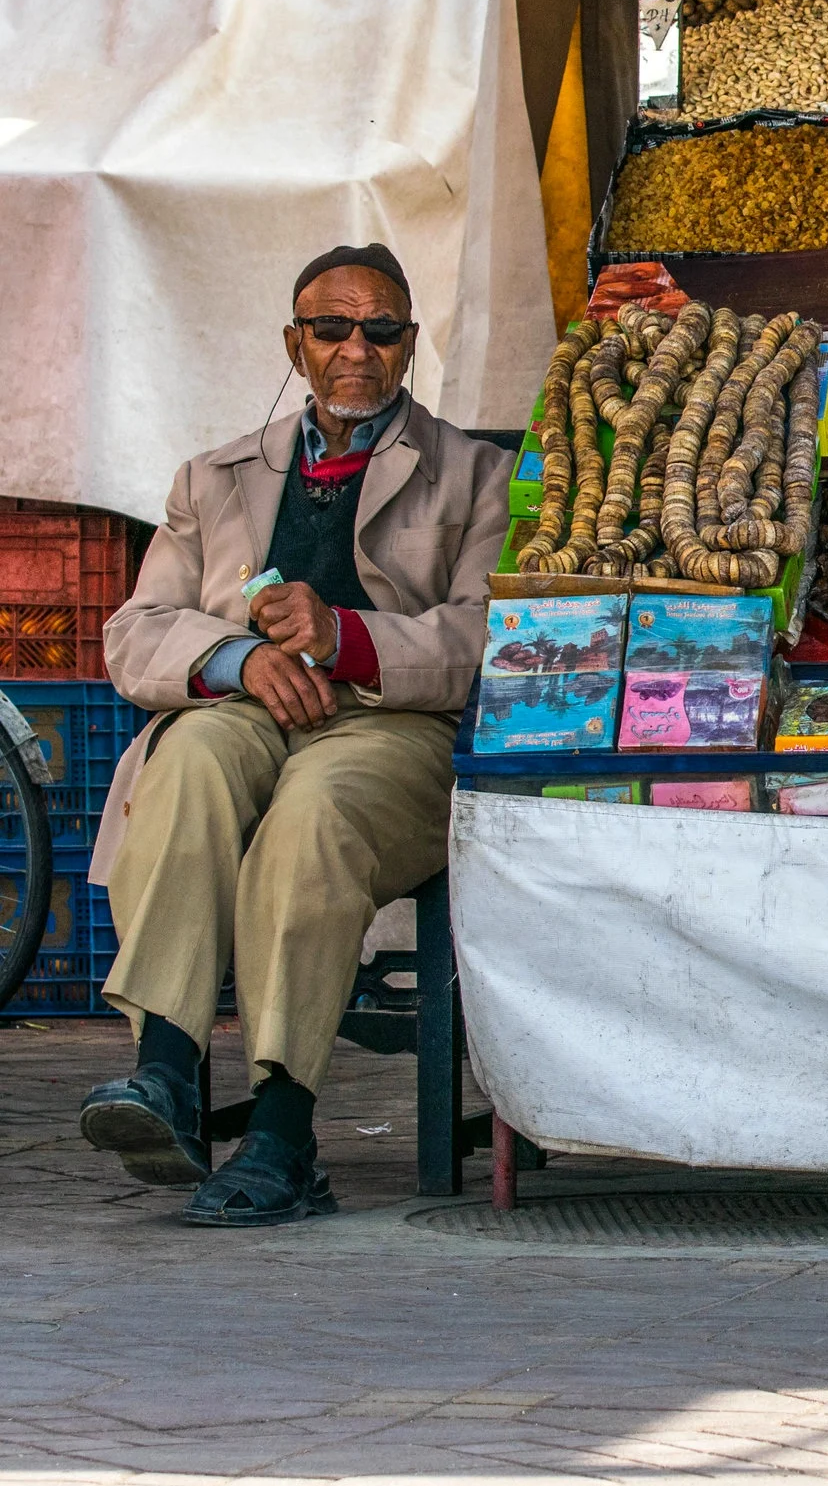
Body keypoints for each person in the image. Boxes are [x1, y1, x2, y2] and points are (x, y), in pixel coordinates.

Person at [78, 244, 512, 1227]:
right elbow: (138, 629)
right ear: (295, 341)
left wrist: (349, 635)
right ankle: (163, 1074)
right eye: (331, 327)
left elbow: (494, 637)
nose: (356, 347)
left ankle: (282, 1130)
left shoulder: (478, 476)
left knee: (311, 813)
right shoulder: (214, 477)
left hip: (389, 729)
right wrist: (238, 660)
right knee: (184, 754)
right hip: (247, 711)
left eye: (381, 330)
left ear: (408, 346)